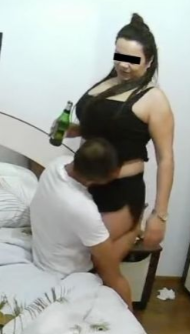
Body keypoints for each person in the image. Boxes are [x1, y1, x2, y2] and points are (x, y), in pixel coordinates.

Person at [62, 13, 175, 256]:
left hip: (120, 192)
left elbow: (166, 159)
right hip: (84, 185)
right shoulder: (106, 84)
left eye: (132, 60)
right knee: (76, 260)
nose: (123, 65)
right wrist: (76, 129)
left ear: (149, 61)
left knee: (100, 264)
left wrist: (160, 215)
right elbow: (109, 129)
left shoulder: (154, 99)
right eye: (119, 56)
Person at [30, 138, 140, 309]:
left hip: (44, 256)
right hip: (65, 273)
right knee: (131, 232)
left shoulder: (56, 165)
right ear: (99, 181)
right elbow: (112, 275)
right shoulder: (83, 210)